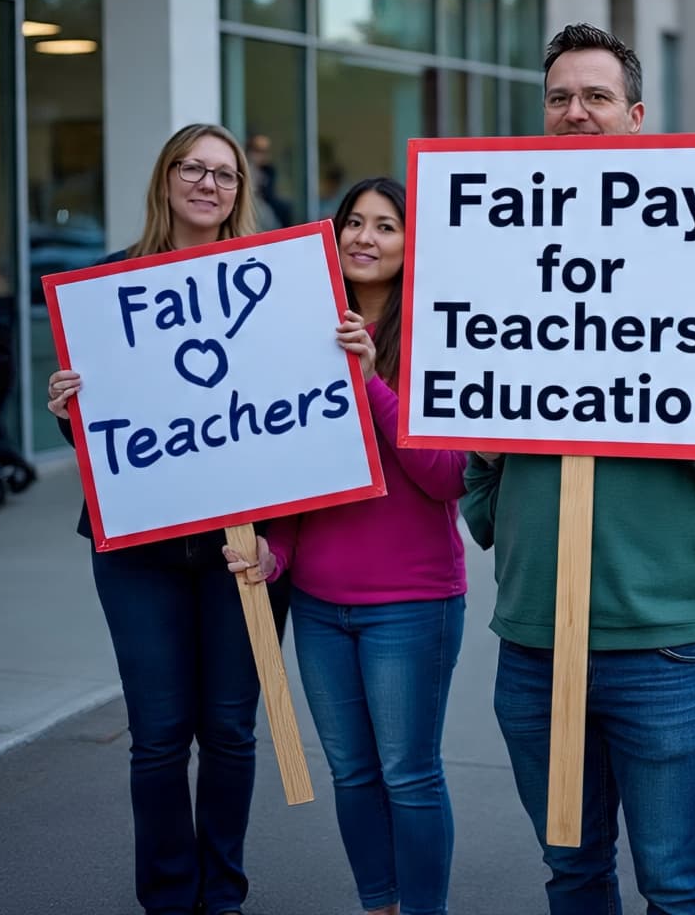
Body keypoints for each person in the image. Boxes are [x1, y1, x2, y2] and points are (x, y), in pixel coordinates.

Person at [460, 23, 695, 915]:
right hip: (534, 641)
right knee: (572, 874)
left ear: (639, 118)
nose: (576, 112)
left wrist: (681, 413)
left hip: (662, 643)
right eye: (560, 99)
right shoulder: (496, 294)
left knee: (674, 882)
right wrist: (486, 464)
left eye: (597, 98)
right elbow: (482, 510)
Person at [227, 177, 467, 915]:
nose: (365, 237)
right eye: (353, 222)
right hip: (321, 603)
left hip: (412, 603)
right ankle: (381, 904)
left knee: (408, 772)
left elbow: (446, 476)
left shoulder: (441, 333)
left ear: (412, 242)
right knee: (353, 772)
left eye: (386, 225)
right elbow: (302, 472)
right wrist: (277, 556)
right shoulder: (302, 332)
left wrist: (371, 384)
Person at [45, 123, 268, 915]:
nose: (209, 185)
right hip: (136, 551)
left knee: (232, 732)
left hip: (238, 548)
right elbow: (102, 437)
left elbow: (301, 422)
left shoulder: (269, 284)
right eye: (193, 168)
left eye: (225, 174)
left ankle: (224, 895)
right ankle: (171, 899)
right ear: (165, 177)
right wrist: (70, 411)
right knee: (160, 735)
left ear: (240, 189)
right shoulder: (107, 287)